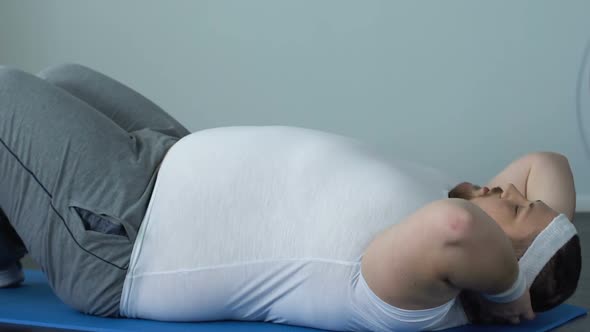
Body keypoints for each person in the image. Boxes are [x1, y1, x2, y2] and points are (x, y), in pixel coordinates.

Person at [0, 64, 581, 332]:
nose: (509, 188)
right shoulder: (465, 216)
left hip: (126, 234)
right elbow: (548, 162)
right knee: (64, 79)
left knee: (7, 93)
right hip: (169, 160)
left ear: (496, 262)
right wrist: (524, 273)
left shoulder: (415, 296)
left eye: (518, 207)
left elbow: (458, 230)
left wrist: (509, 290)